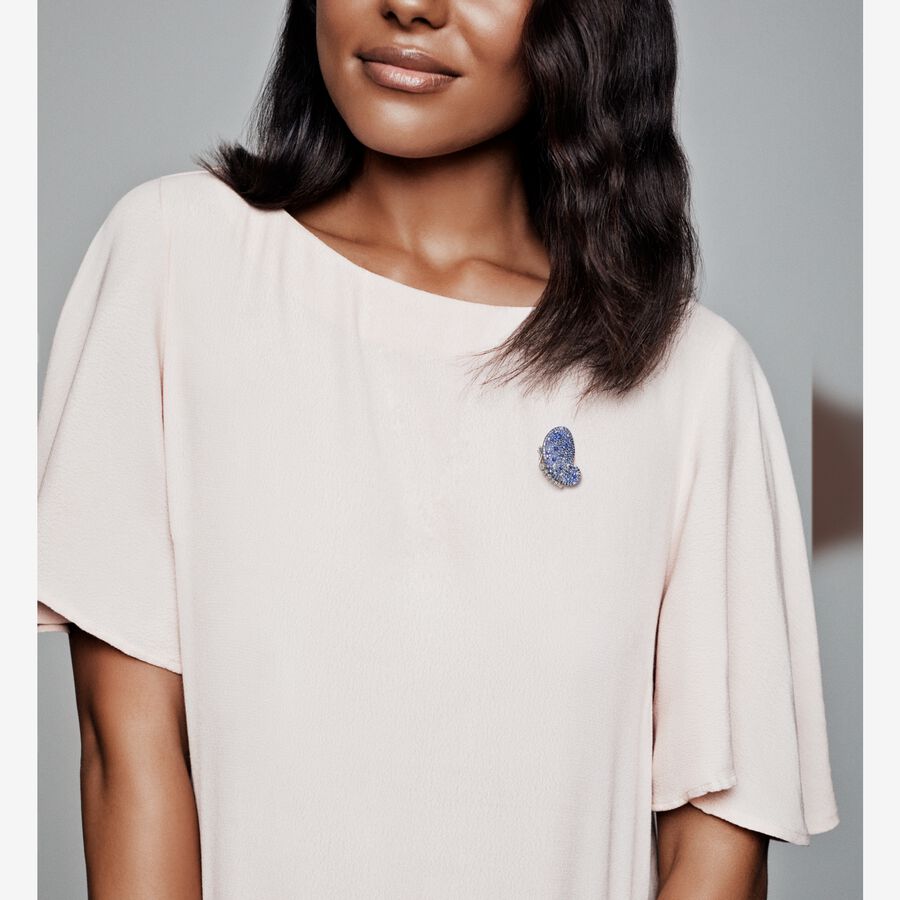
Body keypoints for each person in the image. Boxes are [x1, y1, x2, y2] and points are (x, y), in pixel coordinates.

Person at [37, 1, 839, 897]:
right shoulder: (175, 259)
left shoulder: (690, 376)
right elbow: (126, 752)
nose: (411, 5)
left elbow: (715, 847)